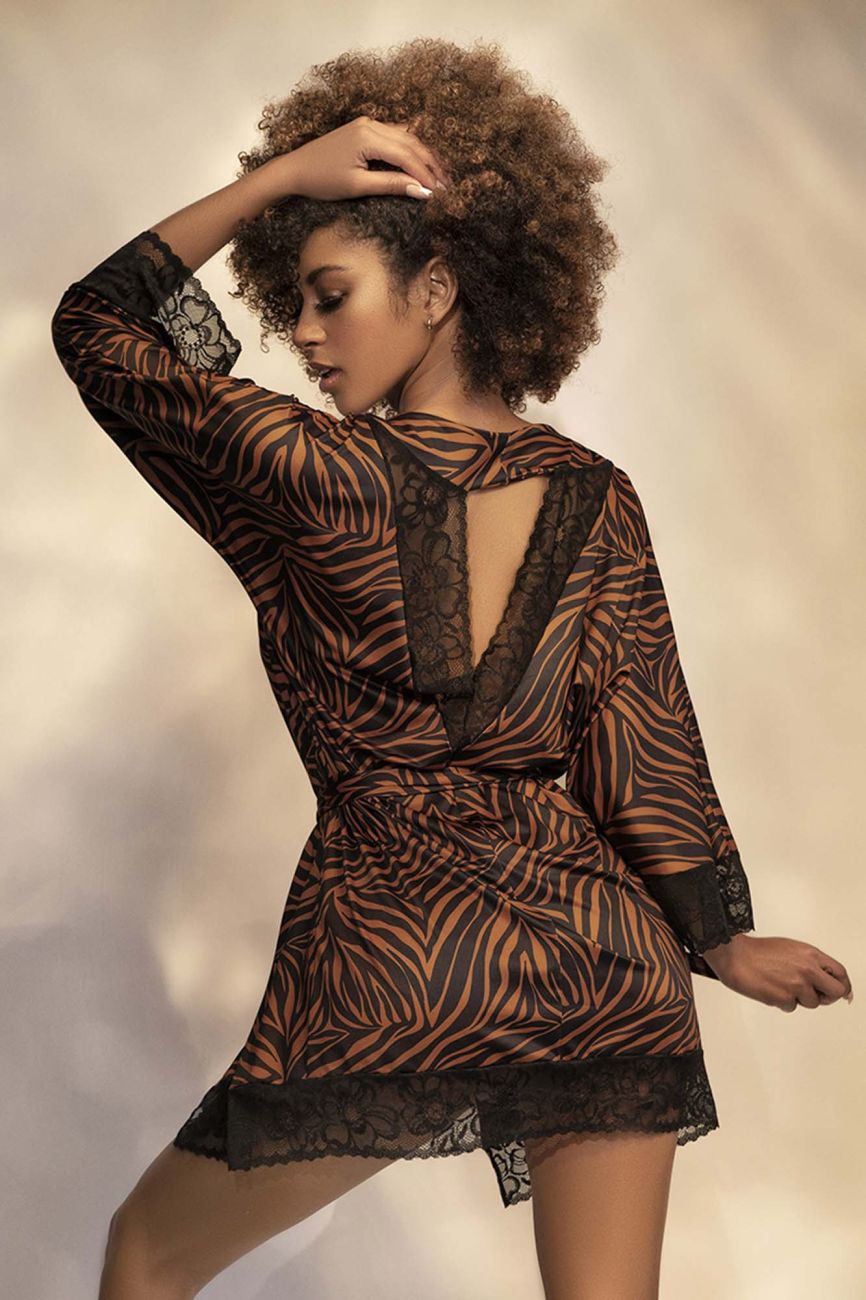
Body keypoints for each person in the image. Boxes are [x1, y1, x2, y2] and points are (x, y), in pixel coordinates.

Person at [51, 37, 852, 1300]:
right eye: (294, 302)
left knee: (146, 1255)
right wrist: (718, 938)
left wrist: (273, 181)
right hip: (601, 958)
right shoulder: (594, 494)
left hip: (399, 946)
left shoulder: (305, 469)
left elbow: (98, 325)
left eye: (329, 294)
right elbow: (638, 737)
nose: (303, 334)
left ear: (435, 289)